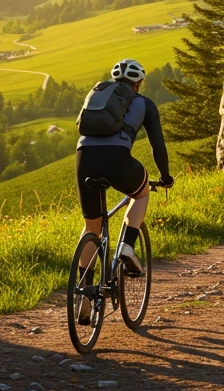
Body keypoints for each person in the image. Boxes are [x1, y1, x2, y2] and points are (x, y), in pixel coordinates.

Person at [75, 59, 174, 294]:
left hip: (84, 159)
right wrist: (165, 176)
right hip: (116, 159)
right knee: (141, 194)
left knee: (92, 226)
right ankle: (127, 246)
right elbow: (157, 145)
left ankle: (84, 299)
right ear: (138, 83)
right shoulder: (144, 103)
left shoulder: (98, 96)